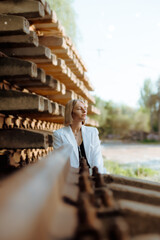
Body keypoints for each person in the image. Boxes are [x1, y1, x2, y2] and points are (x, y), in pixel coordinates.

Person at [53, 99, 105, 174]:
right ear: (71, 113)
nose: (84, 111)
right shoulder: (59, 134)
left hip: (92, 174)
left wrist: (96, 175)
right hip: (70, 176)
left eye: (85, 108)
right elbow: (60, 161)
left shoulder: (93, 132)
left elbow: (97, 157)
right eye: (79, 108)